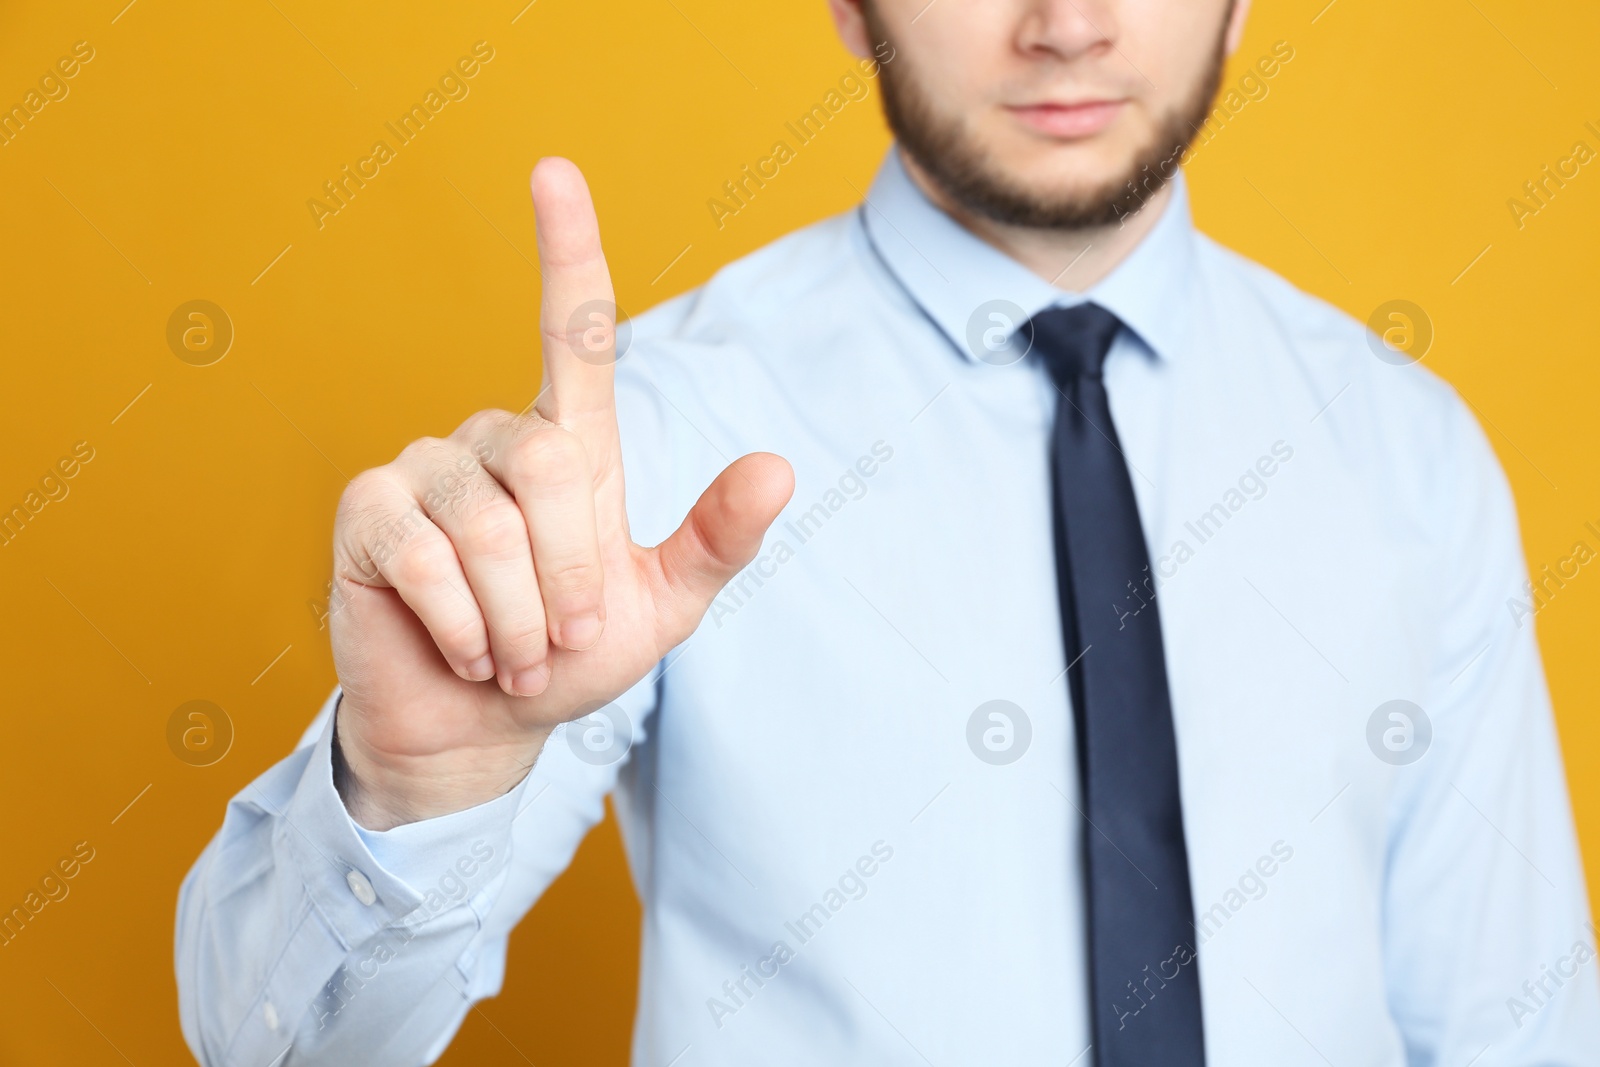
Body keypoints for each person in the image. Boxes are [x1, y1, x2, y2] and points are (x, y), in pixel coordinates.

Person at [176, 0, 1600, 1063]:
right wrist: (425, 790)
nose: (1068, 26)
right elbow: (281, 1047)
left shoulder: (1409, 454)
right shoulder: (660, 445)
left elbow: (1514, 1026)